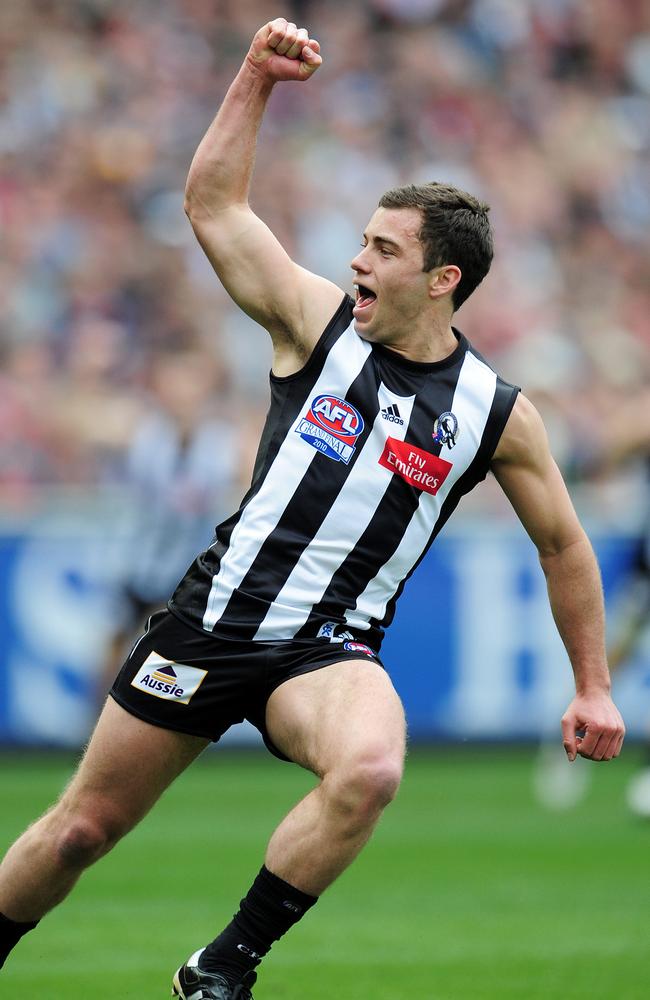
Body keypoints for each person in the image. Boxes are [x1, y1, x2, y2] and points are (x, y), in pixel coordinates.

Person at [0, 18, 626, 999]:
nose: (356, 263)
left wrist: (590, 684)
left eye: (380, 248)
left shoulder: (494, 413)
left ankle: (221, 968)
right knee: (81, 828)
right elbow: (212, 207)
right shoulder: (314, 325)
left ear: (441, 279)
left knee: (371, 767)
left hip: (325, 650)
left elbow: (561, 545)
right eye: (362, 241)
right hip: (212, 622)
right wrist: (253, 76)